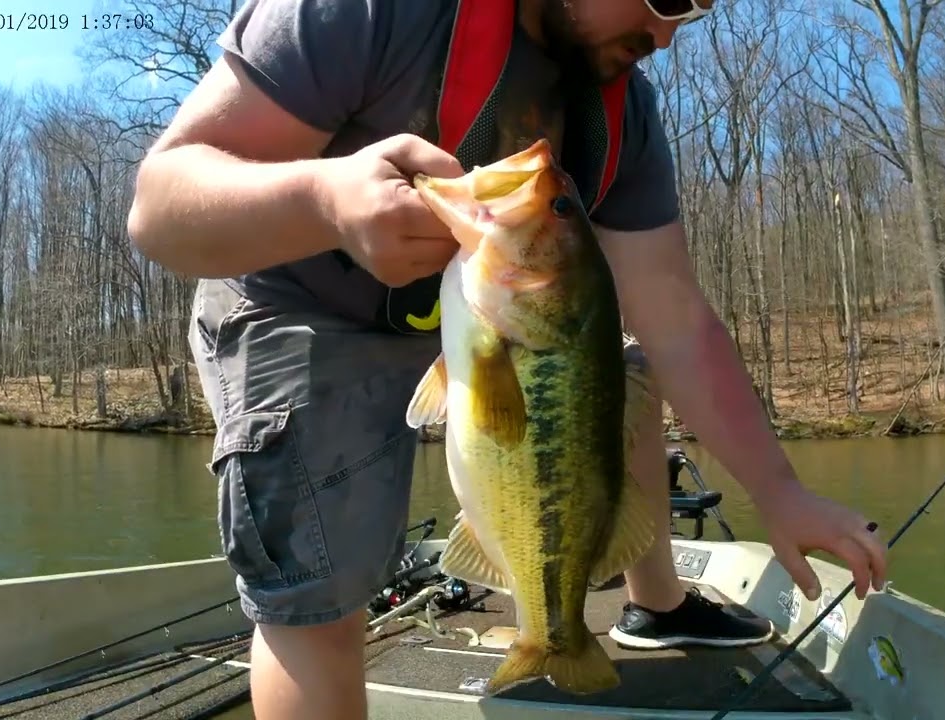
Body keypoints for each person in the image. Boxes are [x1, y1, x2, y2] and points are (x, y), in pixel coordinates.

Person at [126, 0, 888, 717]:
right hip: (304, 303)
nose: (669, 33)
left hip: (482, 320)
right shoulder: (368, 12)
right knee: (322, 589)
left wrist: (781, 493)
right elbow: (158, 210)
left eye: (697, 10)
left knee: (623, 375)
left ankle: (651, 608)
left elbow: (675, 317)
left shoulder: (622, 111)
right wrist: (325, 202)